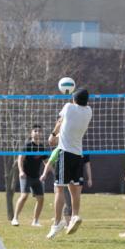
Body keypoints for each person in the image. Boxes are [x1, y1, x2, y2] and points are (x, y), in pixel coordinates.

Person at [46, 88, 93, 239]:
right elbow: (68, 126)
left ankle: (57, 223)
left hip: (64, 153)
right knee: (75, 190)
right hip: (78, 155)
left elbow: (60, 121)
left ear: (74, 99)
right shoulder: (88, 111)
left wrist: (53, 135)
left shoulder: (68, 107)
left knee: (58, 189)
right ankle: (75, 216)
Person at [12, 125, 47, 227]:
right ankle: (15, 218)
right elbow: (20, 159)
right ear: (31, 133)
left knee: (40, 198)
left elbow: (46, 162)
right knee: (24, 196)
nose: (37, 133)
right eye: (35, 131)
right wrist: (21, 171)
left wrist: (48, 172)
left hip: (36, 177)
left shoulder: (42, 147)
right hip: (26, 176)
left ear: (42, 134)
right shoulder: (27, 145)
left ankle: (35, 221)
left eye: (39, 131)